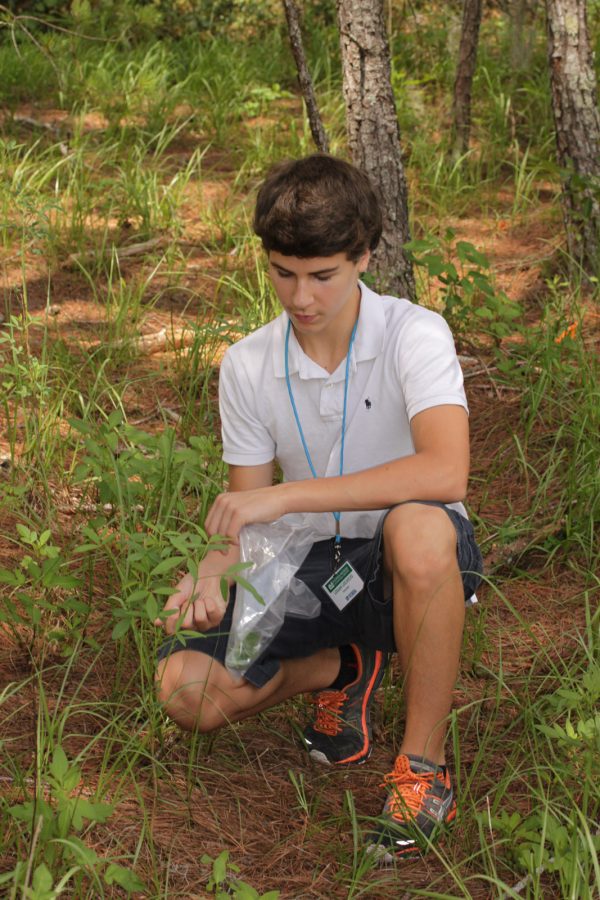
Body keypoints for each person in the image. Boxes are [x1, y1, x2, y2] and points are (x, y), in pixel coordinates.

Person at [155, 154, 483, 863]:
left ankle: (421, 768)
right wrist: (212, 572)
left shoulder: (413, 333)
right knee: (188, 693)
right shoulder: (247, 363)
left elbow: (445, 469)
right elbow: (248, 512)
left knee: (421, 526)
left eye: (323, 275)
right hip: (303, 563)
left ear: (365, 256)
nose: (301, 297)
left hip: (403, 562)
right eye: (283, 272)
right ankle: (340, 668)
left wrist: (285, 493)